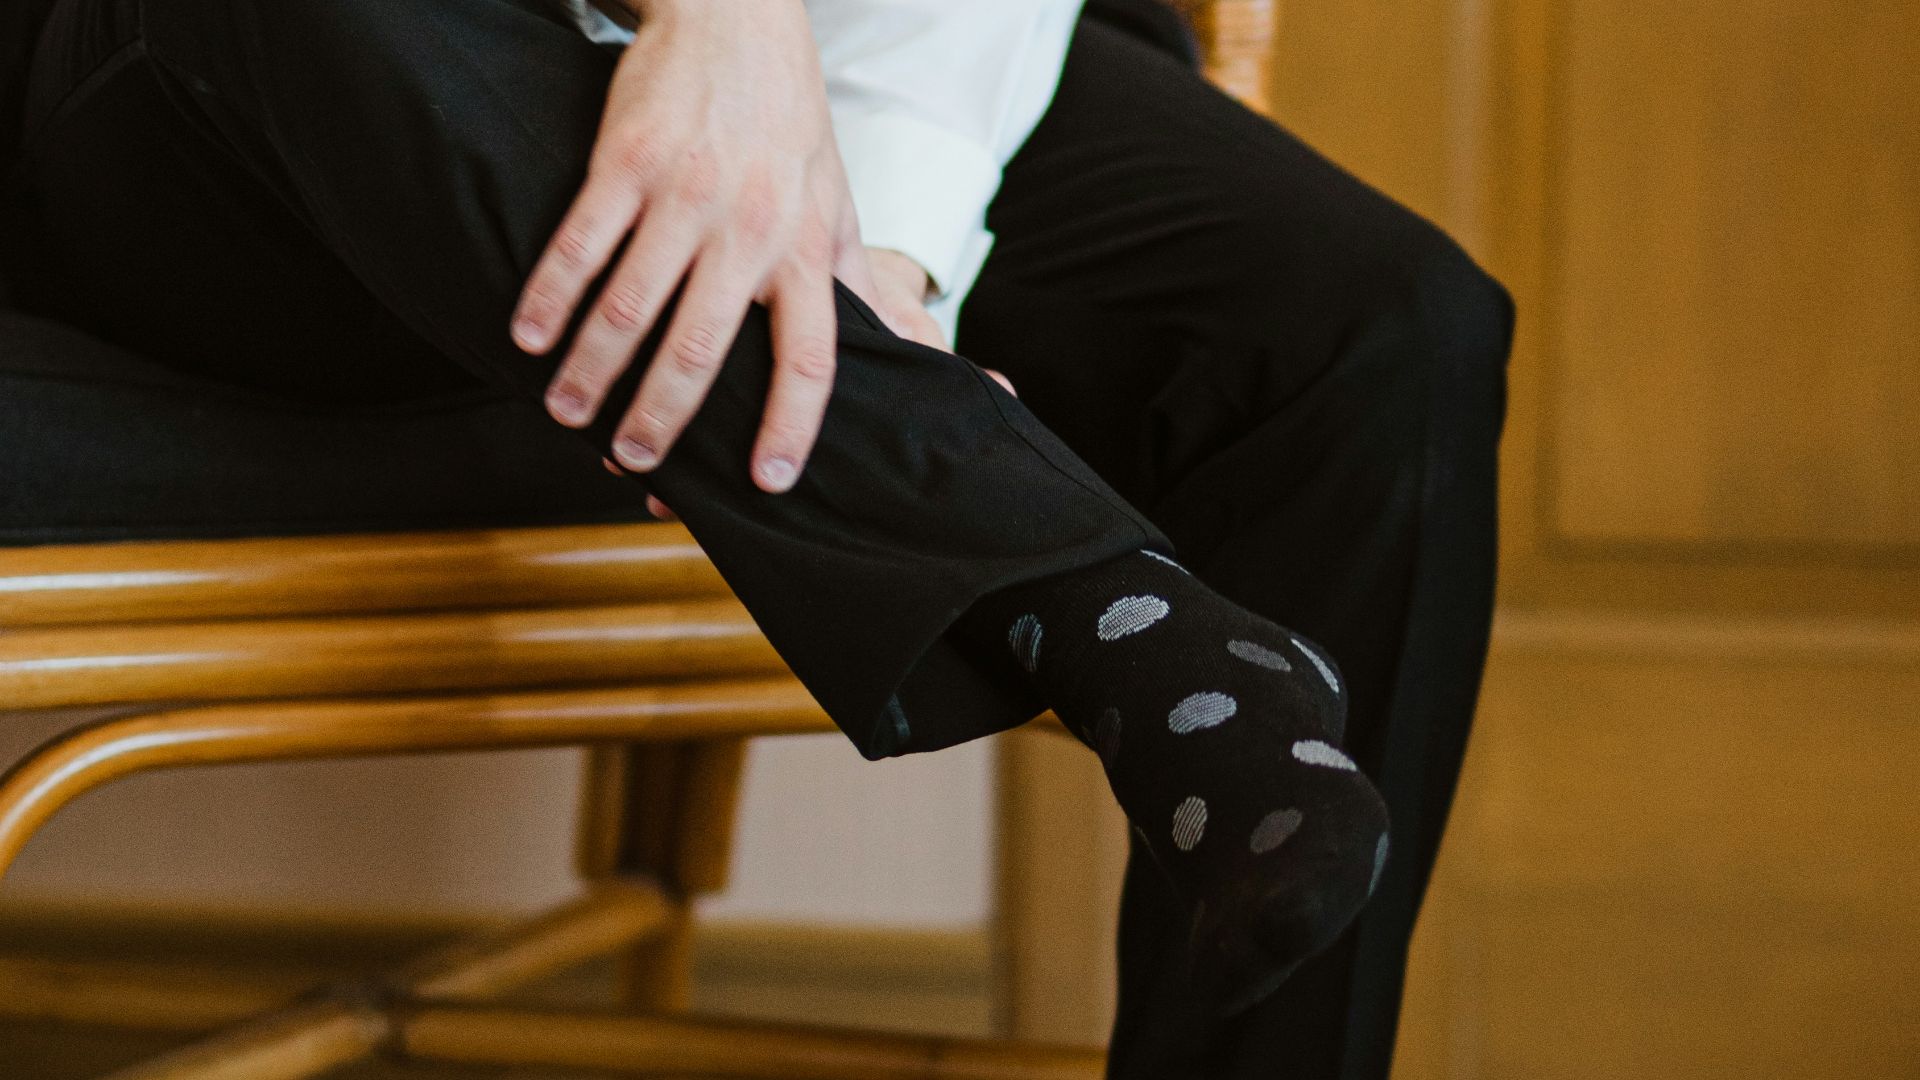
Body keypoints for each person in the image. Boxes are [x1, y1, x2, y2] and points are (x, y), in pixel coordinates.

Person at [0, 0, 1513, 1075]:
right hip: (220, 114)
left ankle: (1037, 560)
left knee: (1382, 325)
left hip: (829, 55)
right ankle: (1098, 599)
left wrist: (886, 240)